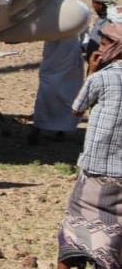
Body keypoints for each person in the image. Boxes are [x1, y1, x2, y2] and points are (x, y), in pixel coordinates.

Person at [56, 23, 122, 269]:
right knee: (114, 235)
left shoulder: (103, 78)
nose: (100, 48)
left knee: (74, 232)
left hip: (95, 171)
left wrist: (92, 70)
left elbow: (76, 109)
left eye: (105, 44)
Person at [29, 0, 84, 145]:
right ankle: (55, 130)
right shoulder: (68, 15)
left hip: (63, 65)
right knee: (63, 97)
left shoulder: (52, 16)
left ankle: (41, 130)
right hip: (64, 65)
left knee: (48, 96)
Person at [83, 0, 121, 72]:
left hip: (103, 68)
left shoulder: (111, 23)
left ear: (100, 5)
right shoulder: (101, 19)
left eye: (94, 2)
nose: (92, 5)